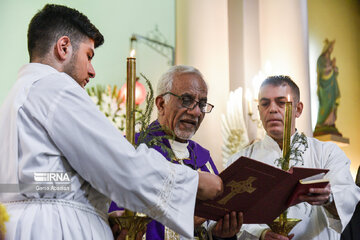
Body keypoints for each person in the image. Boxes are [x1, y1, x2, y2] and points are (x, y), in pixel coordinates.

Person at [0, 4, 224, 240]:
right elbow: (120, 165)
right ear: (63, 47)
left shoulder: (17, 97)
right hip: (56, 229)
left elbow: (33, 182)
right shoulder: (56, 88)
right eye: (88, 56)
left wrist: (93, 207)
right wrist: (192, 182)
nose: (92, 70)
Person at [109, 65, 243, 240]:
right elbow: (122, 224)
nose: (195, 112)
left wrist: (221, 234)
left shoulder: (204, 159)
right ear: (161, 103)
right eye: (186, 100)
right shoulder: (133, 149)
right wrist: (185, 220)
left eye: (202, 104)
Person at [226, 75, 360, 240]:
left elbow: (348, 196)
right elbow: (231, 214)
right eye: (265, 103)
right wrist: (260, 234)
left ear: (298, 109)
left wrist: (329, 198)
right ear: (259, 109)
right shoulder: (241, 160)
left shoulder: (327, 153)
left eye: (281, 102)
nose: (272, 109)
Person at [313, 39, 342, 136]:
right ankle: (322, 124)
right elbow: (321, 71)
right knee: (325, 104)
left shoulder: (329, 59)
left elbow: (335, 73)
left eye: (332, 48)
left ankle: (330, 123)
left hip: (332, 85)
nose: (331, 50)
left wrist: (334, 67)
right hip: (324, 86)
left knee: (332, 103)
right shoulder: (321, 59)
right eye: (330, 48)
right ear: (326, 48)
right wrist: (331, 67)